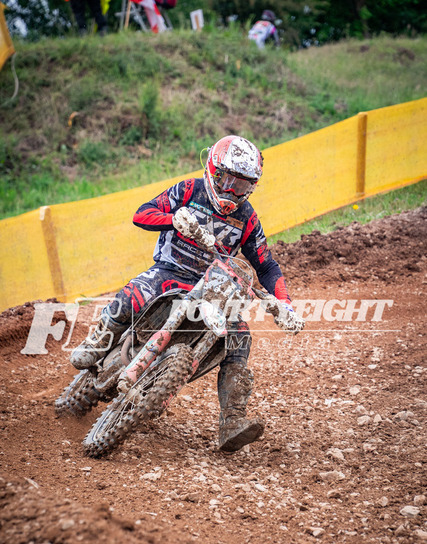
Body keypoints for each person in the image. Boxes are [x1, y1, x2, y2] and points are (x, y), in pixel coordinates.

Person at [70, 135, 300, 453]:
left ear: (252, 187)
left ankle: (232, 420)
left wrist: (284, 304)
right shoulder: (189, 191)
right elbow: (142, 214)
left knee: (240, 339)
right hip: (171, 272)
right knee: (134, 294)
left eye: (242, 185)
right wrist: (173, 220)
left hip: (214, 287)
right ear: (213, 170)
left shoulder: (247, 217)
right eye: (227, 180)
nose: (232, 191)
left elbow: (267, 265)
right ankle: (98, 342)